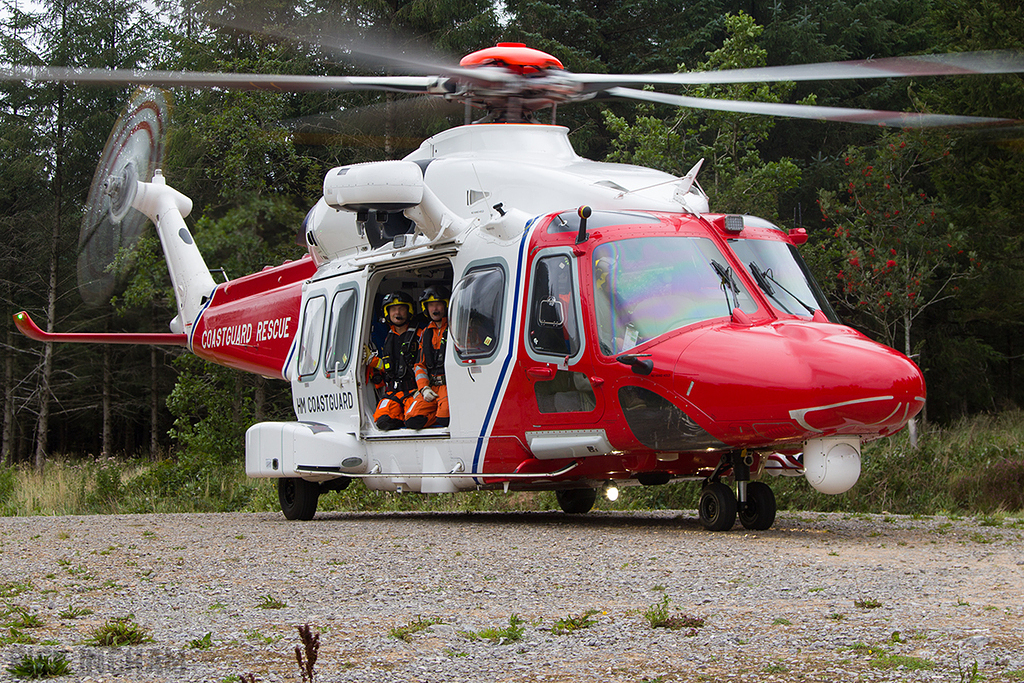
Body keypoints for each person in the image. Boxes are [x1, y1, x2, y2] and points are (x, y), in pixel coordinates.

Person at [366, 291, 421, 430]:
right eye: (393, 309)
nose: (397, 312)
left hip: (414, 391)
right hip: (393, 393)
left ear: (409, 310)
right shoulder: (388, 337)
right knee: (383, 421)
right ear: (387, 312)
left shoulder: (421, 334)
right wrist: (373, 361)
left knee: (415, 421)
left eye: (401, 308)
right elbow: (390, 367)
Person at [405, 286, 449, 429]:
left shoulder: (457, 327)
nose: (434, 309)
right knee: (411, 419)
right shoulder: (425, 333)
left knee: (445, 418)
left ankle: (439, 414)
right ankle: (437, 413)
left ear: (446, 305)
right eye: (431, 305)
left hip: (449, 386)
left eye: (438, 304)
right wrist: (424, 388)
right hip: (431, 387)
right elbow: (419, 365)